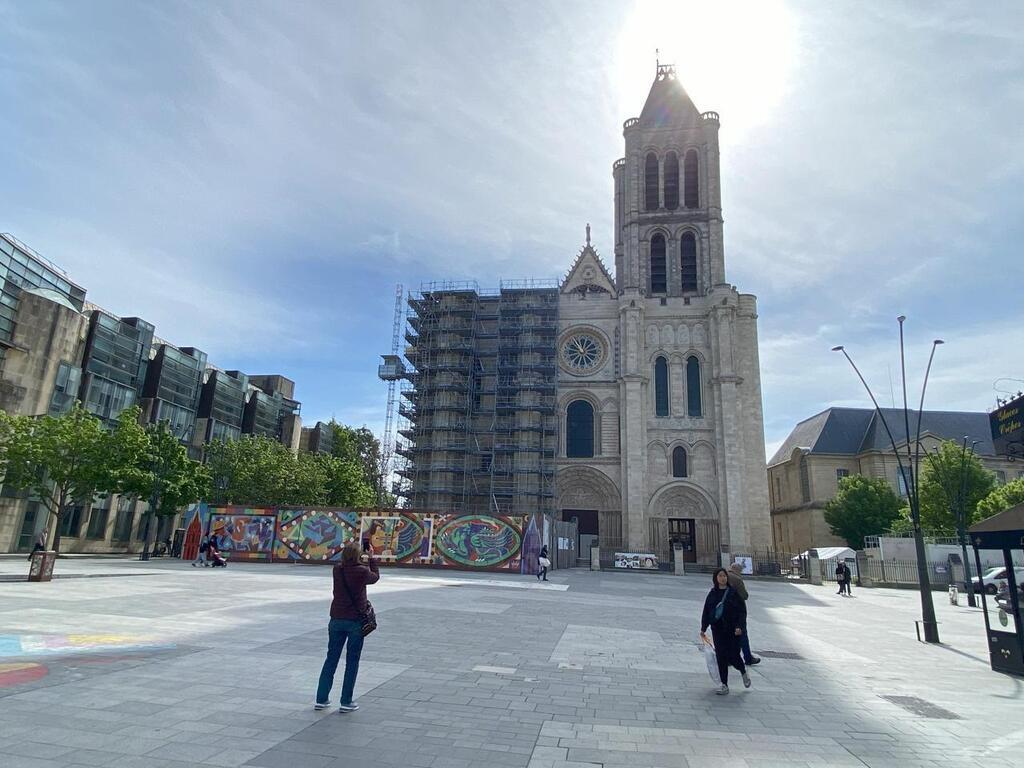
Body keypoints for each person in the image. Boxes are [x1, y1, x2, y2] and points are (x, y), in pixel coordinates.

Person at [316, 540, 380, 713]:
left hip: (336, 619)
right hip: (355, 621)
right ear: (360, 556)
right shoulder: (362, 571)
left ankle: (321, 699)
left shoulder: (337, 570)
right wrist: (372, 558)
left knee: (331, 658)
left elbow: (348, 567)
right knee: (352, 661)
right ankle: (346, 701)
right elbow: (375, 577)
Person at [700, 567, 750, 695]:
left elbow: (741, 611)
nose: (723, 578)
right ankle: (724, 684)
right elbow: (706, 611)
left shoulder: (733, 593)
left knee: (733, 655)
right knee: (721, 656)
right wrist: (703, 628)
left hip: (733, 630)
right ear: (715, 579)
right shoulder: (712, 594)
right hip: (718, 630)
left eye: (724, 576)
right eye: (720, 576)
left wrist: (740, 626)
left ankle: (743, 670)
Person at [726, 562, 761, 666]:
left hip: (726, 610)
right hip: (737, 611)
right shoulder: (737, 579)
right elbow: (744, 595)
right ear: (738, 570)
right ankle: (748, 658)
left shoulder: (723, 575)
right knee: (742, 634)